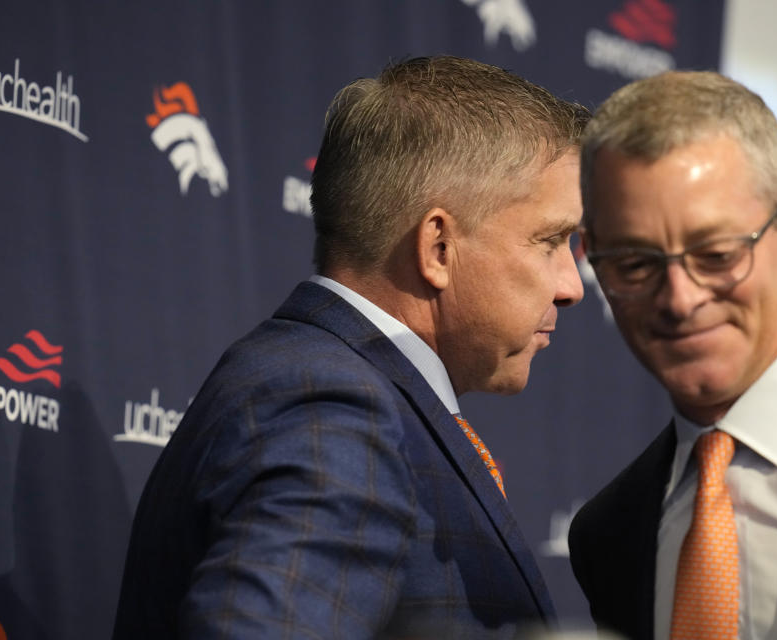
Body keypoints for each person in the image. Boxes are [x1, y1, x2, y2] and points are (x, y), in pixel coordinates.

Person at [113, 55, 588, 639]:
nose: (571, 285)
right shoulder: (332, 411)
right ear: (439, 247)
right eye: (551, 241)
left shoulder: (319, 383)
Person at [568, 70, 777, 640]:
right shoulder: (607, 534)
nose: (679, 298)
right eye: (635, 264)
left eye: (717, 254)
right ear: (595, 263)